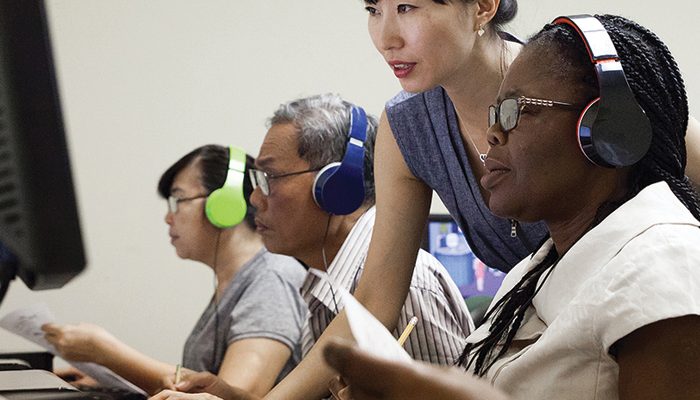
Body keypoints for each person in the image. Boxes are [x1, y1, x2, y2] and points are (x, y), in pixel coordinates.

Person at [251, 2, 700, 399]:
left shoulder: (659, 260)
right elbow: (375, 302)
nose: (386, 37)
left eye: (407, 7)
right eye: (373, 9)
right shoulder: (528, 272)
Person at [149, 94, 474, 400]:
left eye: (269, 178)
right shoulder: (324, 284)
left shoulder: (408, 285)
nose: (254, 199)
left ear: (335, 187)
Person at [43, 145, 308, 396]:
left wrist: (107, 352)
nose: (168, 217)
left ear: (225, 206)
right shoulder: (238, 280)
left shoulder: (272, 278)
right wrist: (113, 377)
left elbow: (233, 393)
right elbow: (200, 385)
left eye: (178, 199)